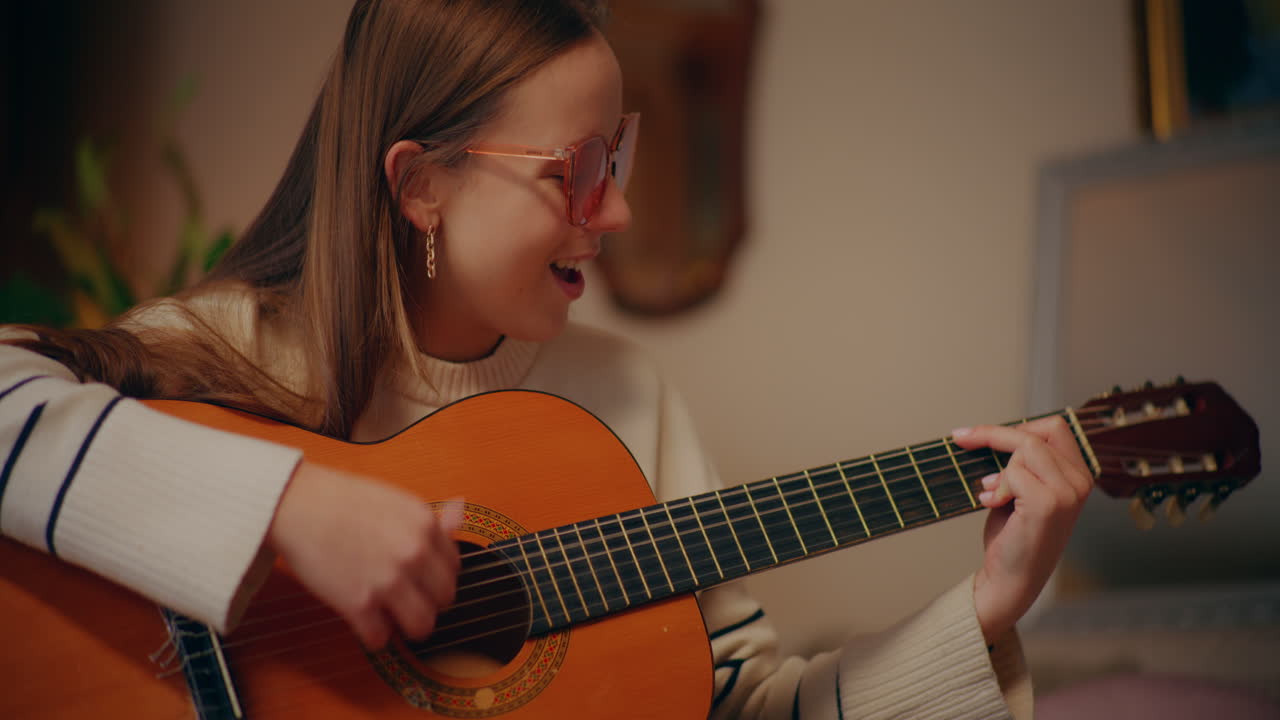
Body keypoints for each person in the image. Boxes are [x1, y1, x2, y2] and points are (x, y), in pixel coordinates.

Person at [0, 1, 1092, 717]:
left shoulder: (628, 400)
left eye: (616, 156)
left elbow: (721, 705)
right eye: (573, 167)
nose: (612, 212)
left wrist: (981, 615)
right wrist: (292, 510)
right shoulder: (225, 349)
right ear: (419, 184)